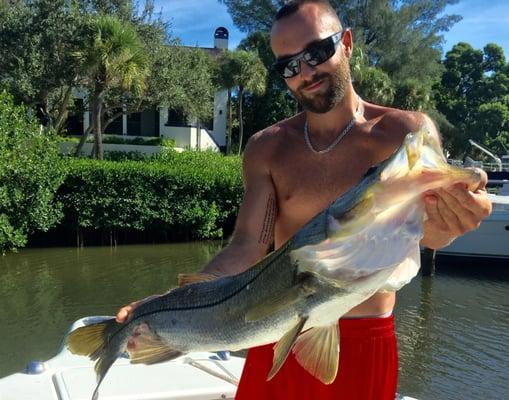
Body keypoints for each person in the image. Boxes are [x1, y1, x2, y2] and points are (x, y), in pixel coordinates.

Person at [116, 1, 492, 398]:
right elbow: (248, 246)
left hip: (365, 341)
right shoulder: (268, 148)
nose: (305, 72)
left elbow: (429, 232)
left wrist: (453, 224)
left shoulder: (404, 133)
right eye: (288, 66)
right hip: (277, 333)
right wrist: (177, 303)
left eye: (316, 52)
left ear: (346, 43)